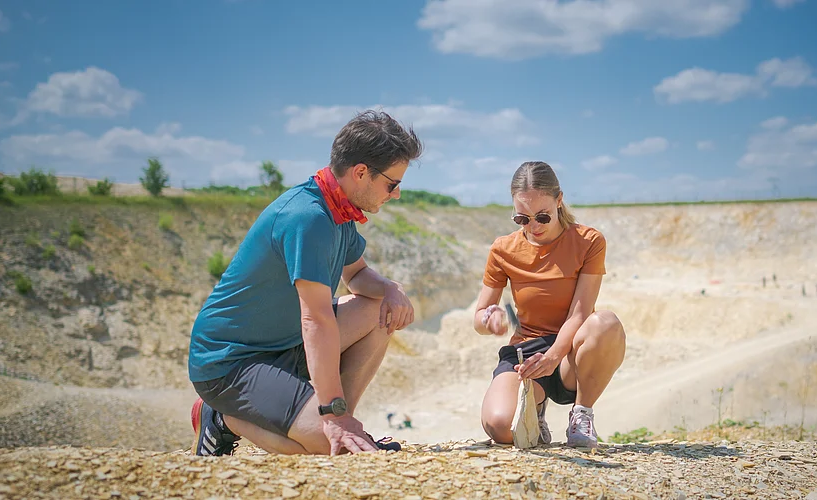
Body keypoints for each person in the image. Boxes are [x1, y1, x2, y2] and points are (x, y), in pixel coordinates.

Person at [187, 110, 424, 457]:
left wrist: (390, 288)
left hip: (284, 344)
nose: (397, 194)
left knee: (379, 310)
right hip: (231, 362)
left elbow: (356, 276)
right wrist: (333, 414)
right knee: (331, 451)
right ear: (361, 173)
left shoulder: (338, 209)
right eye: (393, 184)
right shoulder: (308, 217)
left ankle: (336, 422)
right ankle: (222, 418)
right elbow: (316, 319)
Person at [472, 161, 626, 448]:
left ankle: (582, 413)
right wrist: (489, 319)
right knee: (500, 427)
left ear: (559, 200)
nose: (533, 227)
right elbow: (479, 317)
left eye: (542, 217)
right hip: (526, 353)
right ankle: (536, 410)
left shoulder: (588, 241)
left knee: (606, 323)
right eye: (522, 218)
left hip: (571, 351)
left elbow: (580, 313)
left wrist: (553, 357)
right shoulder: (503, 249)